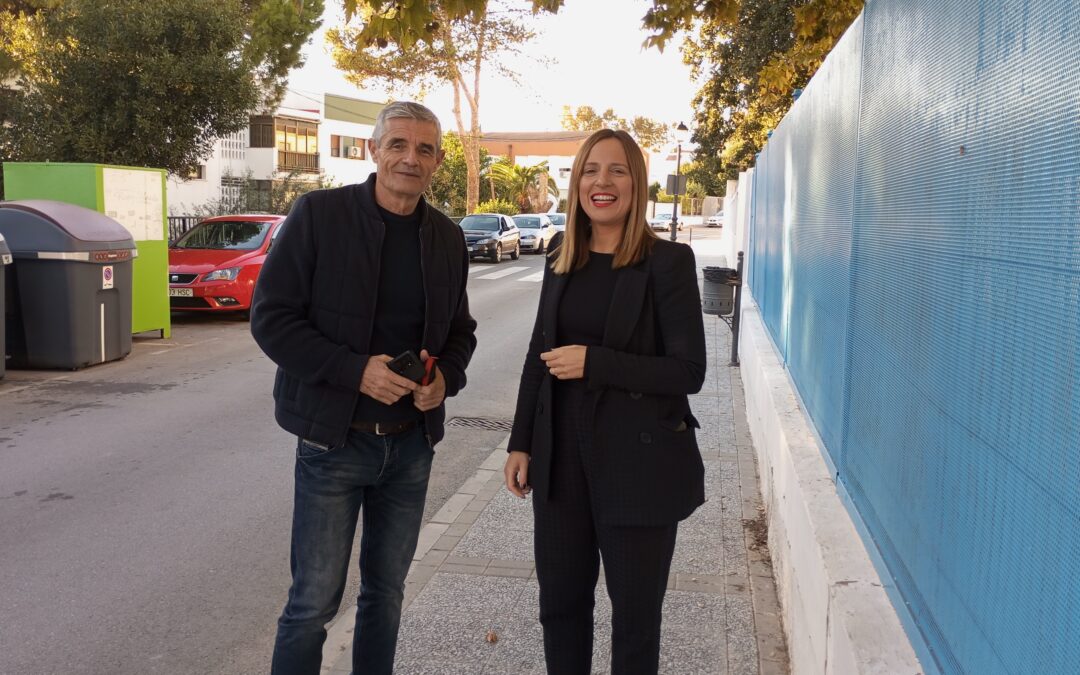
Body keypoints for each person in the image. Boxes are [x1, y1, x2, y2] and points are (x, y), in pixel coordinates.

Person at [250, 101, 477, 675]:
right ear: (373, 151)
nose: (410, 157)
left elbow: (460, 333)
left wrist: (445, 379)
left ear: (438, 162)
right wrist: (356, 371)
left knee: (386, 594)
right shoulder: (318, 215)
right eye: (397, 144)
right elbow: (272, 319)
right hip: (334, 442)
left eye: (424, 149)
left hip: (409, 447)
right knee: (312, 604)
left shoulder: (447, 238)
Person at [504, 129, 707, 674]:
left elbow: (690, 372)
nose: (602, 182)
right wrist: (520, 442)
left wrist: (596, 363)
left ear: (635, 184)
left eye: (617, 170)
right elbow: (537, 354)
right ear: (577, 184)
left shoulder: (667, 263)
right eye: (591, 170)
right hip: (560, 461)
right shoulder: (558, 257)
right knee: (561, 609)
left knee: (636, 622)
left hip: (637, 466)